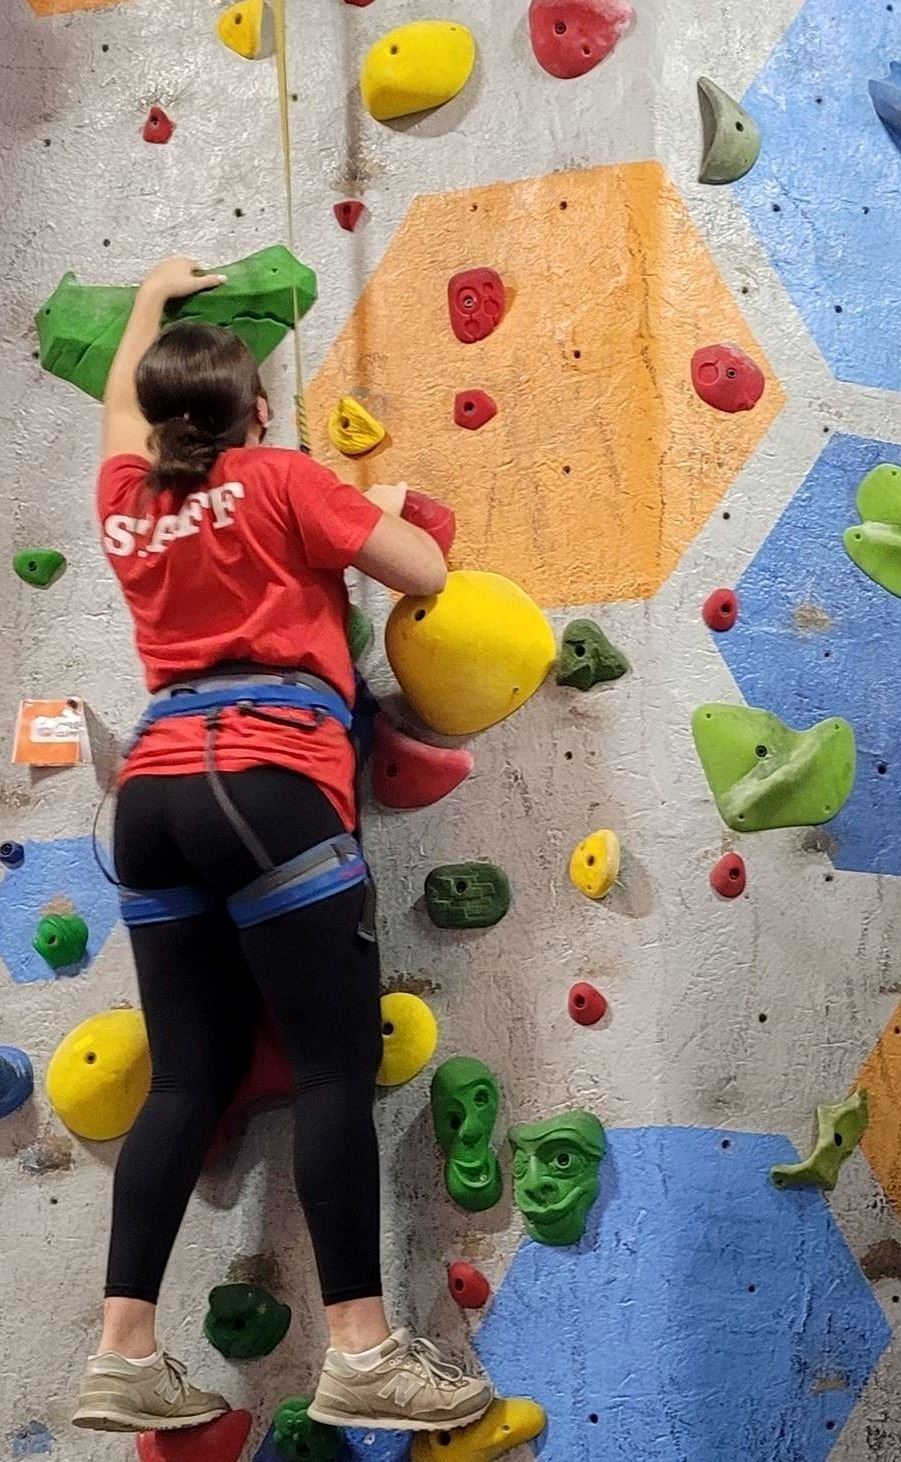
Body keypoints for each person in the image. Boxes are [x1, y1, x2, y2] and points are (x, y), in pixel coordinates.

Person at [72, 257, 493, 1435]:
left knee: (188, 1078)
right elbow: (425, 574)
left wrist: (152, 297)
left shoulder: (127, 495)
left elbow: (120, 412)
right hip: (267, 778)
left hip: (152, 799)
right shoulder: (282, 475)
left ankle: (121, 1350)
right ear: (258, 408)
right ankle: (360, 1347)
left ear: (161, 421)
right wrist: (389, 511)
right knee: (327, 1066)